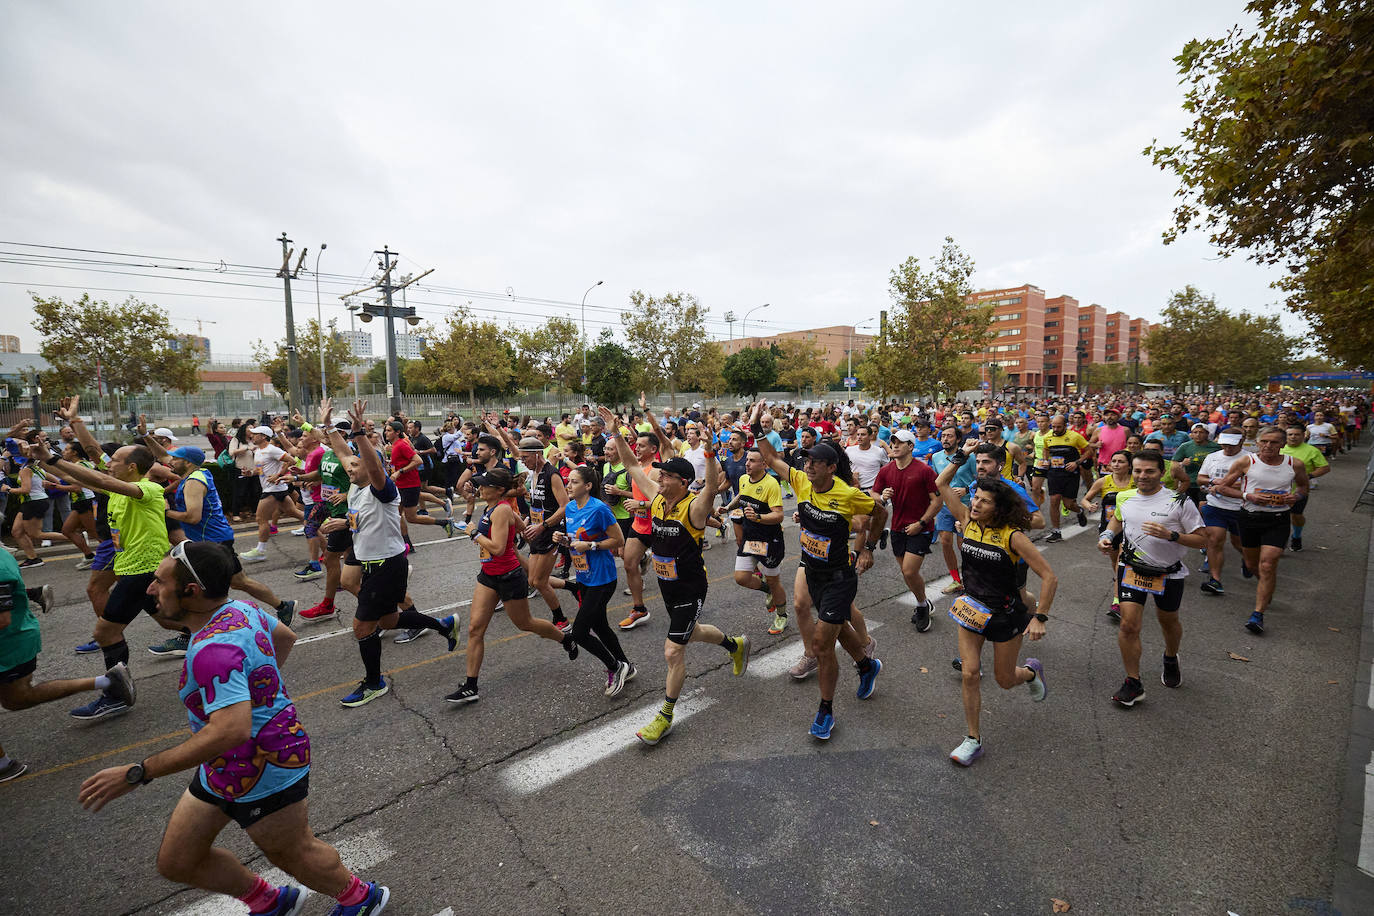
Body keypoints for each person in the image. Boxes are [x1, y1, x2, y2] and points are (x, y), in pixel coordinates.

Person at [77, 541, 390, 915]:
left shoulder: (213, 650)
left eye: (158, 582)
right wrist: (261, 692)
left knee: (293, 853)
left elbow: (231, 731)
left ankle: (361, 898)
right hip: (223, 766)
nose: (149, 589)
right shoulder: (239, 607)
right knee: (178, 860)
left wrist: (139, 772)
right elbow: (284, 638)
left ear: (191, 591)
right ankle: (270, 902)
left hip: (269, 767)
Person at [599, 406, 750, 746]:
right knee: (692, 632)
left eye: (665, 476)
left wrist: (711, 454)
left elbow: (711, 487)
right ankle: (735, 645)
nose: (658, 478)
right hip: (667, 585)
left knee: (672, 651)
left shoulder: (694, 507)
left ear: (681, 482)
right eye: (660, 475)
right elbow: (633, 466)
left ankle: (665, 716)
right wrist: (615, 433)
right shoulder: (655, 500)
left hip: (691, 587)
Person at [748, 402, 885, 742]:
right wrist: (756, 428)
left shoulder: (847, 493)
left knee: (823, 643)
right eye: (806, 461)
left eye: (814, 463)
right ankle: (867, 665)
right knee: (835, 631)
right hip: (811, 571)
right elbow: (770, 457)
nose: (807, 467)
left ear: (831, 467)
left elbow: (878, 512)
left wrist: (868, 547)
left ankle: (825, 710)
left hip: (839, 576)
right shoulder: (801, 481)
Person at [320, 400, 458, 707]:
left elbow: (366, 462)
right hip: (374, 563)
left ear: (373, 470)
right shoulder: (356, 486)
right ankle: (443, 625)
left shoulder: (382, 490)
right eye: (350, 467)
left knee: (362, 626)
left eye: (356, 467)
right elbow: (344, 453)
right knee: (388, 620)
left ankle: (374, 683)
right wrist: (329, 427)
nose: (349, 469)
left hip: (387, 565)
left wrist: (358, 433)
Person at [30, 437, 172, 721]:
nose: (109, 465)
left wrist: (54, 458)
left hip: (143, 571)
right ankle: (227, 639)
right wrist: (41, 459)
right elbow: (72, 476)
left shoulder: (149, 488)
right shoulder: (118, 491)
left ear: (132, 467)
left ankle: (116, 695)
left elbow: (102, 481)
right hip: (131, 567)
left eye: (115, 460)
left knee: (104, 633)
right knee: (171, 621)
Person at [934, 443, 1053, 766]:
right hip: (972, 609)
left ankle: (1030, 673)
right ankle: (973, 739)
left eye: (984, 501)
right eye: (975, 498)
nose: (975, 504)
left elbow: (1049, 577)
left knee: (1004, 680)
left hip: (1004, 615)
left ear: (998, 508)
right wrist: (961, 455)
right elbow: (941, 485)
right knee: (970, 674)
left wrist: (1039, 617)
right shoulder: (966, 520)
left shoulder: (1014, 537)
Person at [0, 547, 135, 781]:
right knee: (16, 699)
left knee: (18, 697)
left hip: (10, 643)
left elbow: (2, 619)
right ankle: (108, 681)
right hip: (15, 639)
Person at [445, 466, 572, 705]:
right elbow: (522, 528)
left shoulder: (501, 510)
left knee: (526, 623)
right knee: (475, 629)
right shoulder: (495, 507)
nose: (480, 488)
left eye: (485, 485)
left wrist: (474, 534)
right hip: (488, 576)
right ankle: (471, 685)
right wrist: (524, 530)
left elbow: (498, 548)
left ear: (499, 490)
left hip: (509, 577)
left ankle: (565, 639)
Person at [1099, 450, 1206, 708]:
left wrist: (1171, 535)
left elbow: (1203, 539)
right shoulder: (1125, 497)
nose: (1143, 476)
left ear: (1162, 473)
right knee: (1128, 626)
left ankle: (1170, 657)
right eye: (1138, 471)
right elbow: (1117, 521)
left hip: (1168, 572)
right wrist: (1106, 537)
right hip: (1132, 568)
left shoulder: (1179, 501)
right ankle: (1133, 682)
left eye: (1149, 471)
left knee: (1168, 621)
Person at [1215, 425, 1309, 635]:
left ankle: (1257, 614)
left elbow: (1303, 487)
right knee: (1252, 563)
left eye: (1274, 442)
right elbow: (1222, 487)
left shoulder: (1295, 464)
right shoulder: (1246, 462)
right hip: (1249, 518)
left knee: (1268, 564)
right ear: (1257, 442)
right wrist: (1248, 496)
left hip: (1278, 519)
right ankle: (1265, 589)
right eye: (1264, 441)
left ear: (1282, 444)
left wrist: (1297, 497)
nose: (1268, 446)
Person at [553, 465, 636, 697]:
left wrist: (591, 545)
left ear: (588, 486)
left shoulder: (599, 509)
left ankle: (615, 667)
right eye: (568, 481)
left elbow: (618, 539)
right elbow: (576, 538)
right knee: (600, 626)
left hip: (602, 578)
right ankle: (626, 665)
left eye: (574, 482)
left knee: (579, 632)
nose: (568, 485)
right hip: (583, 577)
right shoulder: (570, 507)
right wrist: (563, 539)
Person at [872, 429, 942, 631]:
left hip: (921, 527)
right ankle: (924, 601)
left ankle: (921, 606)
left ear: (910, 446)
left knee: (910, 571)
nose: (894, 445)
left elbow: (937, 500)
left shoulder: (924, 470)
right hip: (897, 528)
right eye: (892, 442)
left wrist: (921, 523)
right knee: (906, 573)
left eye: (900, 442)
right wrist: (882, 496)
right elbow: (874, 493)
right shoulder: (886, 470)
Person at [720, 447, 789, 634]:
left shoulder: (771, 484)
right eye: (747, 460)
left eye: (752, 461)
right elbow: (741, 495)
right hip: (750, 538)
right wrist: (727, 507)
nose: (747, 464)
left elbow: (779, 515)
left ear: (764, 465)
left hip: (769, 540)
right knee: (741, 578)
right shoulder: (744, 479)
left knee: (775, 581)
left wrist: (758, 517)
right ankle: (767, 590)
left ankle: (782, 615)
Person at [1082, 449, 1134, 621]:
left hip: (1131, 530)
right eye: (1114, 461)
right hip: (1109, 530)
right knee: (1115, 563)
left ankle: (1117, 601)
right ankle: (1119, 583)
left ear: (1129, 465)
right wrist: (1089, 505)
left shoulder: (1136, 482)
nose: (1116, 465)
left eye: (1121, 461)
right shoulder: (1103, 481)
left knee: (1121, 562)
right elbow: (1085, 498)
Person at [239, 426, 304, 563]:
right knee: (294, 512)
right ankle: (322, 527)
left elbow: (291, 460)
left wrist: (278, 475)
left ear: (263, 436)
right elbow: (260, 471)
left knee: (260, 518)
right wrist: (250, 473)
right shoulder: (258, 451)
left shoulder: (272, 449)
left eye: (255, 434)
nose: (252, 436)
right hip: (275, 488)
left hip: (273, 490)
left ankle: (260, 551)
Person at [1196, 430, 1250, 596]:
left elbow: (1253, 484)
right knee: (1215, 540)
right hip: (1215, 505)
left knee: (1239, 544)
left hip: (1241, 507)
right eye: (1224, 443)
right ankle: (1215, 580)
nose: (1227, 447)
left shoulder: (1250, 459)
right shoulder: (1213, 457)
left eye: (1231, 444)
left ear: (1241, 442)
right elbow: (1201, 478)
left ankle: (1248, 560)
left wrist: (1226, 486)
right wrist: (1213, 481)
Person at [1040, 414, 1090, 542]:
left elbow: (1089, 450)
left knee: (1068, 504)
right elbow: (1045, 449)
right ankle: (1056, 532)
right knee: (1054, 500)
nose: (1055, 429)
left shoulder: (1075, 436)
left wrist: (1076, 463)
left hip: (1070, 474)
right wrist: (1045, 460)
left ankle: (1079, 511)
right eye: (1053, 426)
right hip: (1054, 473)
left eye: (1058, 427)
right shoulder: (1048, 436)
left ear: (1065, 426)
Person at [1281, 423, 1330, 551]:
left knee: (1296, 516)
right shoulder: (1278, 448)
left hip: (1299, 491)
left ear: (1304, 435)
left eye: (1296, 435)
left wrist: (1308, 476)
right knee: (1280, 517)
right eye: (1290, 434)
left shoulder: (1312, 450)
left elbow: (1325, 468)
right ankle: (1280, 542)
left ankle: (1297, 536)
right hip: (1278, 490)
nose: (1293, 437)